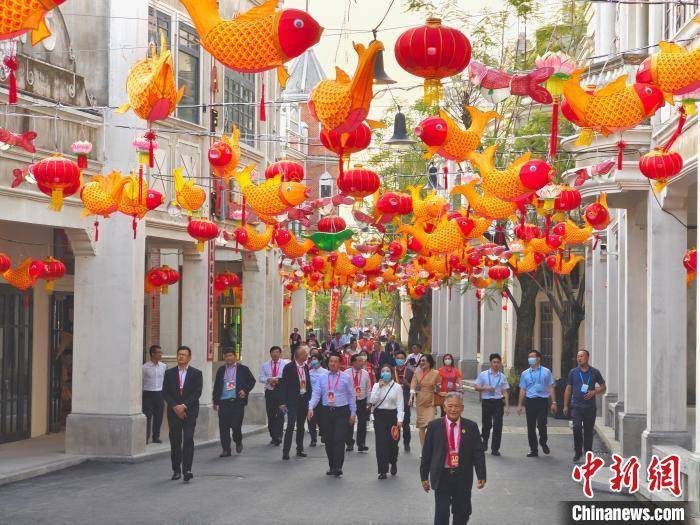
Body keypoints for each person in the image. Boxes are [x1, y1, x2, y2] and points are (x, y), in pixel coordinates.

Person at [420, 393, 487, 525]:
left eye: (456, 406)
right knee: (441, 513)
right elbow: (427, 453)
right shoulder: (434, 426)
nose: (453, 409)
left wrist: (481, 475)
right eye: (450, 406)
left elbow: (478, 453)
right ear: (444, 407)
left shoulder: (471, 427)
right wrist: (424, 477)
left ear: (462, 408)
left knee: (462, 512)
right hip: (442, 475)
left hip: (462, 476)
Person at [307, 354, 356, 477]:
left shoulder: (346, 378)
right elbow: (316, 394)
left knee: (339, 438)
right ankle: (332, 466)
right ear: (328, 363)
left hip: (342, 411)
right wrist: (311, 407)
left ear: (339, 364)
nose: (333, 363)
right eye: (331, 361)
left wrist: (353, 413)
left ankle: (338, 466)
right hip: (326, 411)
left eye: (335, 361)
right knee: (329, 440)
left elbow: (351, 396)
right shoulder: (322, 377)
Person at [162, 346, 202, 482]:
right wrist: (175, 407)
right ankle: (176, 470)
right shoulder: (169, 373)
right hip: (174, 412)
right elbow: (165, 392)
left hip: (190, 411)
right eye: (179, 354)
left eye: (184, 355)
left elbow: (197, 393)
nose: (181, 356)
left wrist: (184, 406)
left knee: (188, 439)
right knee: (175, 441)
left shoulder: (196, 373)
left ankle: (187, 470)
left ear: (189, 358)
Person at [563, 349, 606, 462]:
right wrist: (565, 405)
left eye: (581, 356)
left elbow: (603, 388)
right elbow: (568, 389)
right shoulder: (573, 372)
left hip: (590, 407)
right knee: (576, 428)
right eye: (578, 356)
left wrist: (594, 392)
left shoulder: (595, 372)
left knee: (588, 431)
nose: (579, 358)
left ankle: (588, 452)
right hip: (576, 406)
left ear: (587, 358)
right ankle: (578, 451)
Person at [213, 348, 256, 456]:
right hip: (224, 402)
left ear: (235, 357)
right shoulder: (221, 370)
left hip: (238, 402)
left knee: (236, 426)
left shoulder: (243, 369)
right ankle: (226, 449)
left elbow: (252, 381)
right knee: (223, 427)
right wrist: (215, 401)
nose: (228, 358)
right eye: (226, 356)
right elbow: (217, 386)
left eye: (230, 355)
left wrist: (245, 390)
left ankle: (238, 440)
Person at [517, 350, 556, 457]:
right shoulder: (525, 373)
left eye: (533, 356)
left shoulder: (546, 371)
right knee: (531, 427)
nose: (530, 359)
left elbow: (551, 387)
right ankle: (533, 449)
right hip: (530, 401)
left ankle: (543, 442)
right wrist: (520, 404)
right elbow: (522, 389)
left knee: (542, 424)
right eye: (529, 357)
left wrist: (554, 402)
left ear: (538, 358)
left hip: (542, 401)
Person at [370, 365, 404, 479]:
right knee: (381, 443)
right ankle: (382, 470)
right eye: (383, 371)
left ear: (392, 373)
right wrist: (379, 388)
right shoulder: (376, 385)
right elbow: (372, 401)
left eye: (388, 371)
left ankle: (393, 461)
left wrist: (400, 419)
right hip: (379, 416)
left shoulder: (397, 387)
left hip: (392, 416)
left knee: (393, 443)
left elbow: (400, 404)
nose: (385, 373)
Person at [280, 345, 313, 460]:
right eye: (305, 353)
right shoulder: (289, 367)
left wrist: (309, 396)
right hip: (292, 400)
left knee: (301, 426)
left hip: (303, 399)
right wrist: (282, 402)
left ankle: (300, 449)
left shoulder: (306, 367)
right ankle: (286, 451)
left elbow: (308, 383)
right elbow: (283, 385)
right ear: (299, 355)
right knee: (290, 425)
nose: (307, 355)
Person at [474, 353, 510, 456]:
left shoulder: (502, 376)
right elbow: (476, 387)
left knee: (498, 425)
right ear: (490, 363)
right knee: (487, 425)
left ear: (500, 363)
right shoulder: (483, 374)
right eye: (494, 362)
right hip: (487, 402)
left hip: (498, 402)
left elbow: (505, 392)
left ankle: (495, 448)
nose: (496, 364)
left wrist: (507, 406)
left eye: (498, 362)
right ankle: (484, 441)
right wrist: (485, 388)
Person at [410, 354, 441, 448]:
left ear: (429, 362)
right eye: (421, 361)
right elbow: (413, 385)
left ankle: (430, 446)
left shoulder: (436, 373)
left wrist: (438, 387)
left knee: (430, 424)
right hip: (420, 401)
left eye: (424, 361)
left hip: (430, 401)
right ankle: (423, 448)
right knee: (422, 426)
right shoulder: (417, 372)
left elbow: (438, 387)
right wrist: (411, 398)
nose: (421, 362)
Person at [259, 346, 288, 446]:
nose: (275, 354)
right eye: (273, 352)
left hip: (281, 392)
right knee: (270, 415)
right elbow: (261, 378)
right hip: (270, 392)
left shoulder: (285, 364)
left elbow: (288, 377)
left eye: (277, 352)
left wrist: (279, 380)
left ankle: (279, 435)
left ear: (280, 354)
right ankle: (273, 435)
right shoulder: (265, 365)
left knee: (281, 414)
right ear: (270, 354)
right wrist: (268, 379)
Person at [344, 354, 372, 452]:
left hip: (361, 401)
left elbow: (368, 388)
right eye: (359, 361)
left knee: (362, 423)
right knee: (349, 422)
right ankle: (349, 443)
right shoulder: (346, 373)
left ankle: (361, 444)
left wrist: (369, 402)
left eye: (362, 361)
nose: (362, 363)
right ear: (353, 362)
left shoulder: (365, 373)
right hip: (350, 401)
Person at [142, 344, 166, 444]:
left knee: (159, 417)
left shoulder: (163, 366)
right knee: (147, 416)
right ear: (153, 354)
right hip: (148, 394)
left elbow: (165, 381)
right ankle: (146, 437)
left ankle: (156, 437)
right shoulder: (145, 367)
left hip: (159, 394)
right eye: (158, 352)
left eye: (161, 352)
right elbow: (141, 381)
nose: (161, 354)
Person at [393, 350, 414, 452]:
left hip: (405, 401)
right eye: (398, 358)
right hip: (393, 402)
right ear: (395, 359)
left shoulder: (410, 372)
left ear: (405, 359)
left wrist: (407, 383)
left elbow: (415, 388)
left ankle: (406, 443)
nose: (400, 360)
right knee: (395, 424)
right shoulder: (391, 371)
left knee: (406, 424)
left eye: (402, 358)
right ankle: (395, 443)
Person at [308, 350, 327, 446]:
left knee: (322, 418)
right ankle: (313, 438)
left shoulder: (325, 372)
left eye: (315, 359)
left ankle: (323, 433)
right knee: (311, 418)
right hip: (312, 398)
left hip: (322, 398)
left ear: (320, 361)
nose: (313, 361)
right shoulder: (309, 372)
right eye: (312, 360)